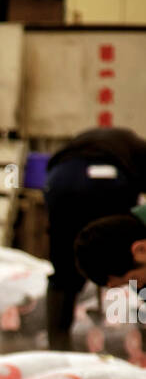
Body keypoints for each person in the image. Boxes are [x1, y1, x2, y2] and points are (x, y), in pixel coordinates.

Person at [42, 127, 146, 349]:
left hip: (59, 183)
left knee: (64, 272)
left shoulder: (121, 147)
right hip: (109, 182)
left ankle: (58, 346)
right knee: (127, 252)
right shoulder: (133, 149)